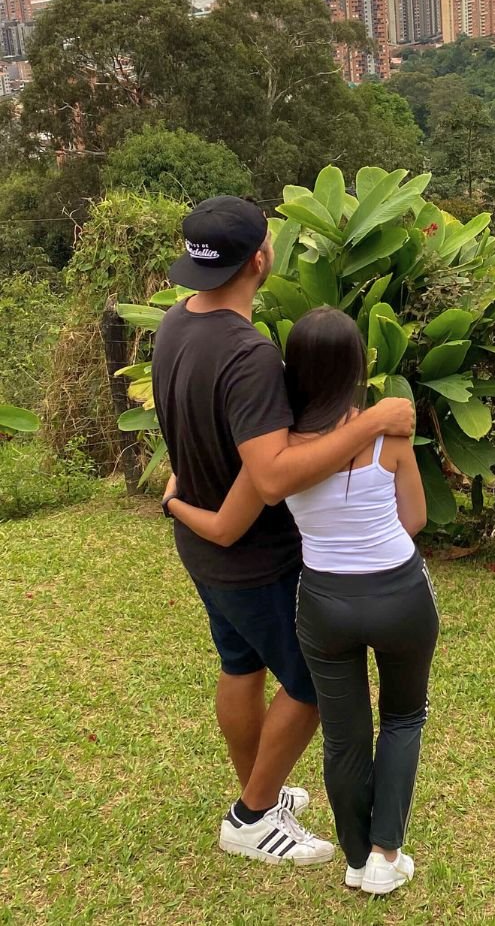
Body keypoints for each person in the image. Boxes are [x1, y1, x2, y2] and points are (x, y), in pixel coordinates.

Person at [152, 196, 415, 869]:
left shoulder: (176, 324)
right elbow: (272, 477)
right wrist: (373, 421)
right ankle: (251, 814)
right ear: (261, 259)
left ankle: (261, 797)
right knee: (307, 687)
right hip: (255, 559)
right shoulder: (249, 357)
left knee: (239, 666)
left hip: (204, 544)